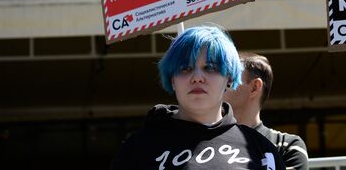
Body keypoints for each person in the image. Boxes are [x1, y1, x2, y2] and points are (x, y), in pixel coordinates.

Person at [110, 25, 286, 170]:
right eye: (185, 68)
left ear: (229, 79)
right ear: (172, 80)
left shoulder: (261, 149)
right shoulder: (137, 150)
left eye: (210, 68)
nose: (197, 77)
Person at [224, 52, 309, 170]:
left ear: (254, 87)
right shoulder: (207, 140)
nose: (219, 86)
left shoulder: (286, 145)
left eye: (229, 82)